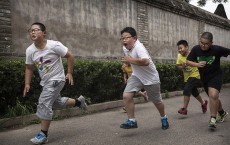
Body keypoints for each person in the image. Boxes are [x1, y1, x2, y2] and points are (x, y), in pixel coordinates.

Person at [23, 22, 87, 144]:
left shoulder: (54, 45)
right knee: (56, 103)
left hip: (57, 79)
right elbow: (29, 68)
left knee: (44, 102)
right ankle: (79, 102)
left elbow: (70, 56)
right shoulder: (30, 50)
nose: (33, 32)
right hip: (46, 82)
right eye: (31, 30)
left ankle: (43, 134)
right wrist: (27, 83)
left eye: (36, 30)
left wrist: (69, 72)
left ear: (44, 32)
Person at [120, 27, 169, 130]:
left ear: (134, 38)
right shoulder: (125, 47)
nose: (124, 40)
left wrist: (130, 59)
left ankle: (163, 117)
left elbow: (145, 62)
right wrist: (127, 62)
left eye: (126, 38)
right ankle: (132, 121)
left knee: (157, 101)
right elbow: (130, 59)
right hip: (137, 75)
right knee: (126, 96)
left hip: (150, 78)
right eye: (122, 38)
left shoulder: (139, 47)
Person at [187, 32, 229, 129]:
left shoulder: (217, 49)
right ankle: (222, 113)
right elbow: (188, 61)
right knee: (213, 98)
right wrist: (197, 65)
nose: (203, 45)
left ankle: (213, 119)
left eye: (206, 44)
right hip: (205, 78)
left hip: (216, 75)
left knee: (213, 95)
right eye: (201, 42)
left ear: (211, 43)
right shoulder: (196, 49)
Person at [176, 40, 208, 115]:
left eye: (181, 48)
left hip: (195, 75)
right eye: (178, 49)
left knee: (186, 90)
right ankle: (203, 103)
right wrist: (182, 67)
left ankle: (184, 109)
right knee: (194, 92)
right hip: (187, 77)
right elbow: (178, 67)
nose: (180, 50)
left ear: (186, 47)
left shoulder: (192, 54)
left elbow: (200, 62)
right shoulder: (179, 56)